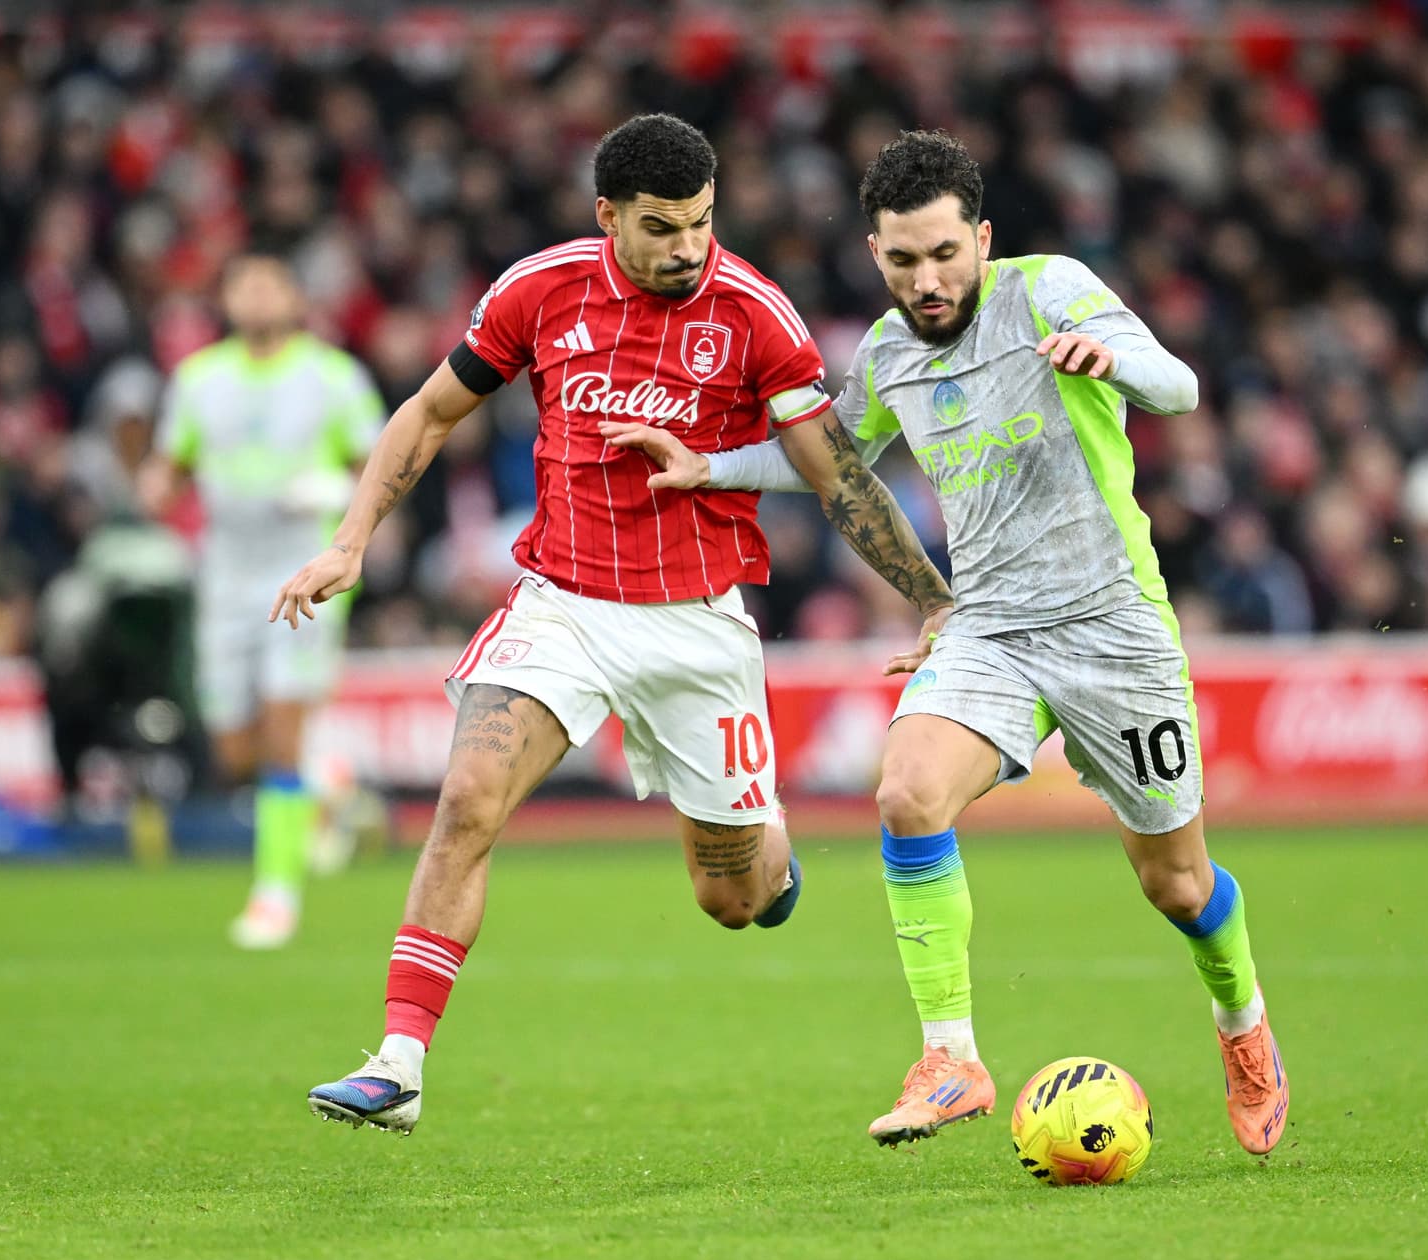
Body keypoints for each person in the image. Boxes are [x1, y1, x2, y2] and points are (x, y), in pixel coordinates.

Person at [604, 130, 1288, 1156]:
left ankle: (1244, 1027)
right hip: (989, 627)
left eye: (944, 254)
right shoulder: (886, 354)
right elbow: (830, 458)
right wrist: (713, 467)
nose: (927, 281)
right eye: (901, 261)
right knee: (906, 791)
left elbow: (1180, 385)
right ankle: (952, 1055)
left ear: (983, 237)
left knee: (1178, 885)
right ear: (875, 254)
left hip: (1114, 627)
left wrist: (1119, 361)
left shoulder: (1049, 291)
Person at [271, 114, 952, 1136]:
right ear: (608, 216)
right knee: (466, 797)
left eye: (703, 223)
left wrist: (933, 595)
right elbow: (428, 413)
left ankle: (768, 850)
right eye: (664, 227)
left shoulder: (755, 312)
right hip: (563, 604)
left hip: (696, 627)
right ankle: (399, 1061)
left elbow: (834, 474)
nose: (689, 247)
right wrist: (352, 540)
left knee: (732, 898)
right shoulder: (539, 290)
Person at [139, 253, 384, 949]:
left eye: (268, 284)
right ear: (225, 298)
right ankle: (326, 785)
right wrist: (157, 484)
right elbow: (174, 463)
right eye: (242, 285)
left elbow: (381, 462)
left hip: (303, 567)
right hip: (224, 573)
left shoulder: (333, 377)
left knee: (280, 733)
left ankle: (275, 896)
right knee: (232, 751)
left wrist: (338, 494)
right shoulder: (198, 379)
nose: (255, 297)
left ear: (294, 297)